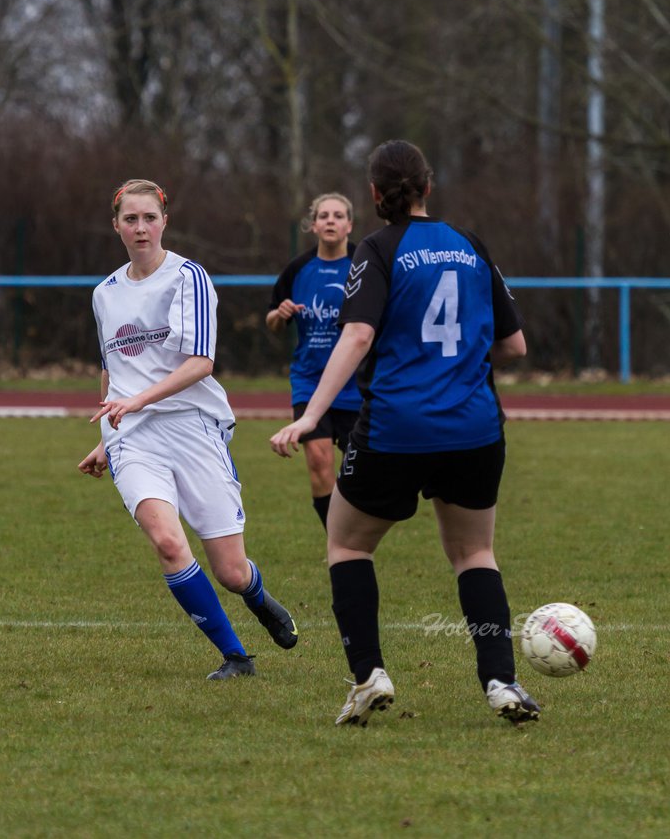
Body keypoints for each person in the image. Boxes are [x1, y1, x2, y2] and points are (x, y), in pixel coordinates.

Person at [268, 140, 536, 726]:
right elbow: (514, 345)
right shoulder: (470, 245)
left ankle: (368, 675)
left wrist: (311, 416)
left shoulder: (378, 248)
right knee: (474, 553)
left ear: (372, 195)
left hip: (396, 427)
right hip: (475, 427)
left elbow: (358, 335)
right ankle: (501, 680)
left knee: (347, 545)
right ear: (428, 189)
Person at [79, 178, 299, 681]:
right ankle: (236, 657)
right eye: (130, 219)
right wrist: (107, 434)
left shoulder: (188, 277)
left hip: (193, 427)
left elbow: (201, 362)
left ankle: (257, 595)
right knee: (168, 542)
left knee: (230, 571)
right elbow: (113, 369)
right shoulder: (104, 294)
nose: (140, 228)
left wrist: (138, 400)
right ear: (115, 226)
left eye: (149, 218)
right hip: (133, 437)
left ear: (164, 222)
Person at [265, 193, 362, 529]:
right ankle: (339, 538)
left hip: (357, 384)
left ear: (350, 224)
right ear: (314, 224)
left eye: (338, 215)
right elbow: (273, 322)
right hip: (309, 380)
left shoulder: (366, 266)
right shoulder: (297, 270)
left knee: (362, 471)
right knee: (320, 465)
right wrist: (280, 314)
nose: (330, 221)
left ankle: (357, 534)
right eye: (324, 215)